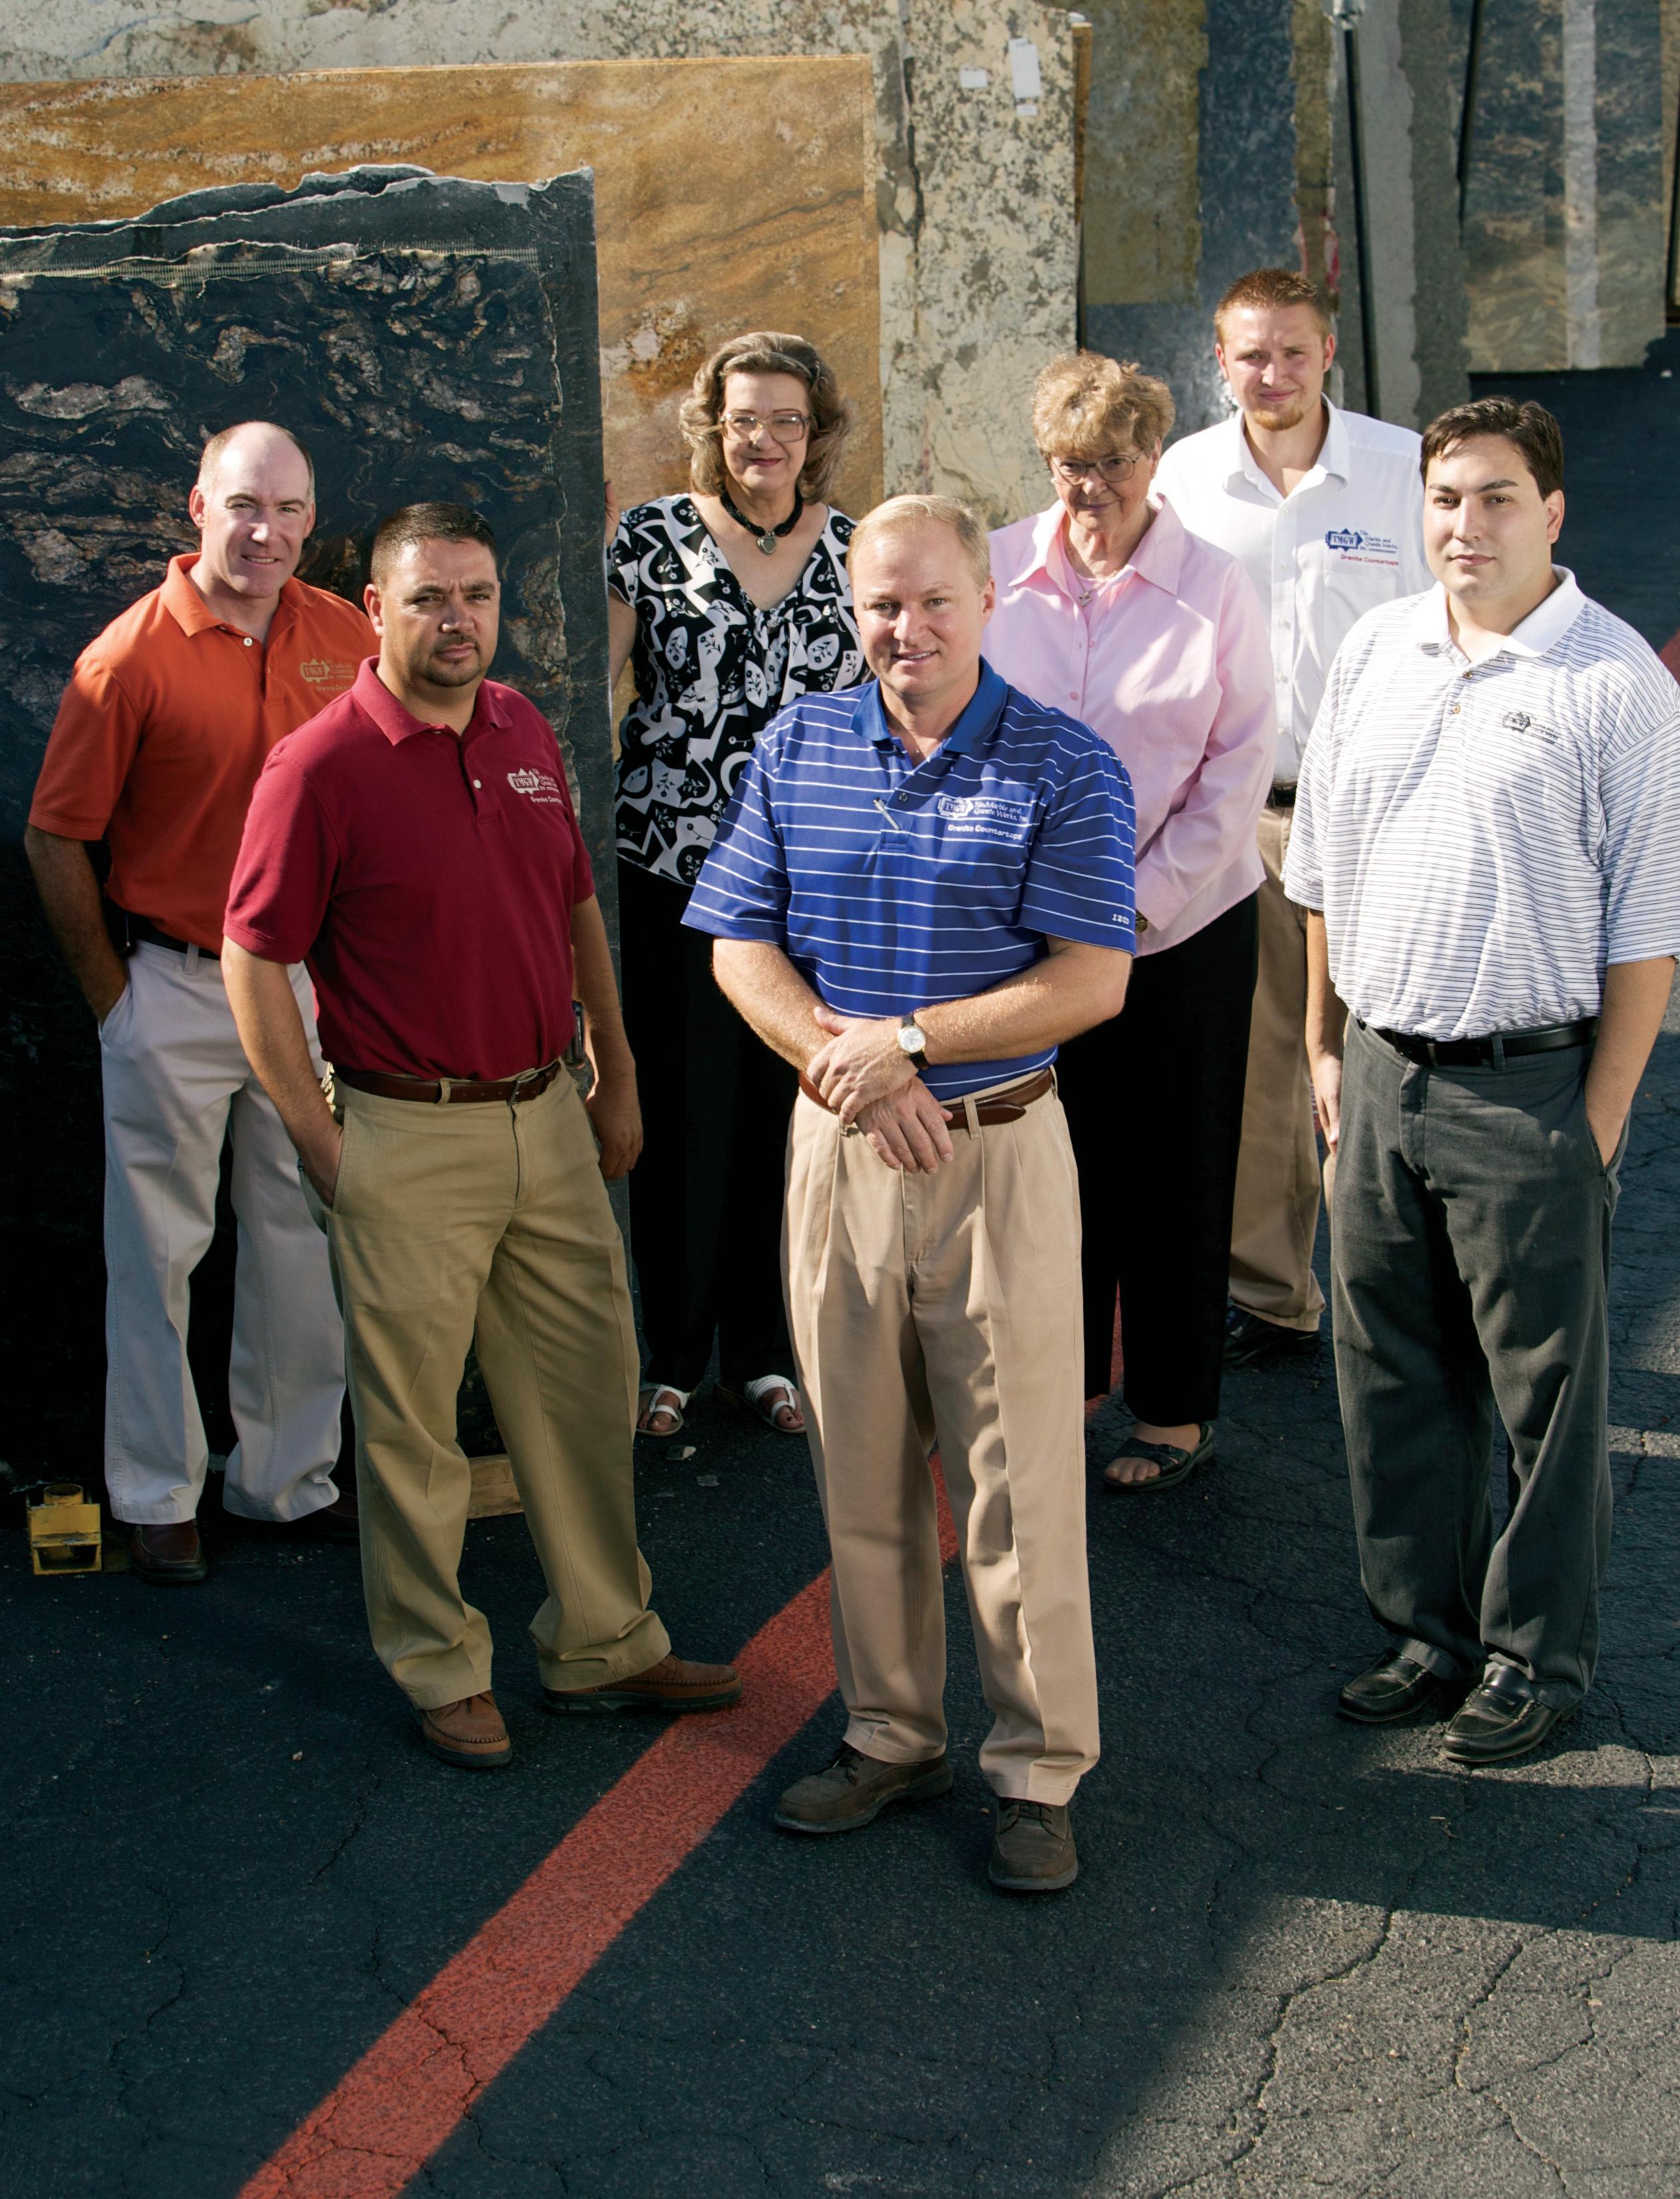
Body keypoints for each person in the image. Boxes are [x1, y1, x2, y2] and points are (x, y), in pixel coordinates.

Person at [222, 501, 740, 1771]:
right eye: (429, 598)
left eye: (478, 595)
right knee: (412, 1431)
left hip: (547, 1116)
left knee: (585, 1393)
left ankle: (604, 1644)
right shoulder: (318, 766)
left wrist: (614, 1072)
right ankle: (441, 1665)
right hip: (406, 1132)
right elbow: (252, 957)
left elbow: (575, 909)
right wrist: (321, 1142)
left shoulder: (520, 728)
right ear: (376, 612)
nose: (458, 621)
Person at [686, 493, 1135, 1891]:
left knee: (1016, 1483)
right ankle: (890, 1735)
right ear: (852, 609)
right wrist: (853, 1066)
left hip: (996, 1152)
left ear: (988, 600)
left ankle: (1037, 1771)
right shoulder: (798, 745)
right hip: (842, 1149)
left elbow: (1091, 980)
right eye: (881, 603)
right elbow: (739, 946)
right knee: (861, 1466)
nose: (907, 628)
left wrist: (915, 1045)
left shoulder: (1065, 761)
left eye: (935, 599)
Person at [1286, 398, 1680, 1766]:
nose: (1465, 525)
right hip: (1379, 1073)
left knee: (1543, 1401)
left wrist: (1594, 1124)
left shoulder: (1615, 683)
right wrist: (1322, 1045)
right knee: (1387, 1376)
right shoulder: (1376, 649)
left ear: (1551, 512)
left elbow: (1645, 935)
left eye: (1496, 497)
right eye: (1445, 497)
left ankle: (1533, 1658)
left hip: (1527, 1094)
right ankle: (1424, 1631)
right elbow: (1320, 866)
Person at [25, 422, 369, 1585]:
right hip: (171, 984)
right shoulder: (128, 658)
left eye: (288, 508)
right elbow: (55, 837)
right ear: (198, 508)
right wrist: (115, 1003)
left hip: (305, 990)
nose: (265, 531)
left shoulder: (345, 634)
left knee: (304, 1240)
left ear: (311, 518)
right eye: (243, 506)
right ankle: (155, 1494)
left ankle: (287, 1479)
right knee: (157, 1254)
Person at [984, 353, 1275, 1492]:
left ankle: (1170, 1409)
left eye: (1109, 462)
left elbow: (1236, 766)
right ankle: (1052, 1394)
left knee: (1175, 1171)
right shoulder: (997, 567)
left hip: (1183, 927)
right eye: (1067, 464)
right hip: (1028, 932)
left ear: (1154, 455)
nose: (1087, 487)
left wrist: (1133, 902)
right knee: (1044, 1167)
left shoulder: (1214, 585)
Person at [1155, 268, 1428, 1371]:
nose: (1272, 375)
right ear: (1218, 363)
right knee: (1268, 1057)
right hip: (1248, 817)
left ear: (1328, 355)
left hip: (1390, 814)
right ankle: (1271, 1295)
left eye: (1292, 353)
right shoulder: (1181, 480)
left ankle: (1405, 1295)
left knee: (1399, 1051)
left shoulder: (1404, 471)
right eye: (1250, 356)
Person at [606, 330, 865, 1442]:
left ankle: (760, 1357)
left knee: (784, 1115)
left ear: (817, 432)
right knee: (679, 1114)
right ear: (712, 428)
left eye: (785, 421)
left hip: (807, 884)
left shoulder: (856, 550)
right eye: (743, 419)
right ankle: (671, 1356)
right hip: (671, 872)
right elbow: (594, 690)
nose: (763, 440)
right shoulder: (649, 537)